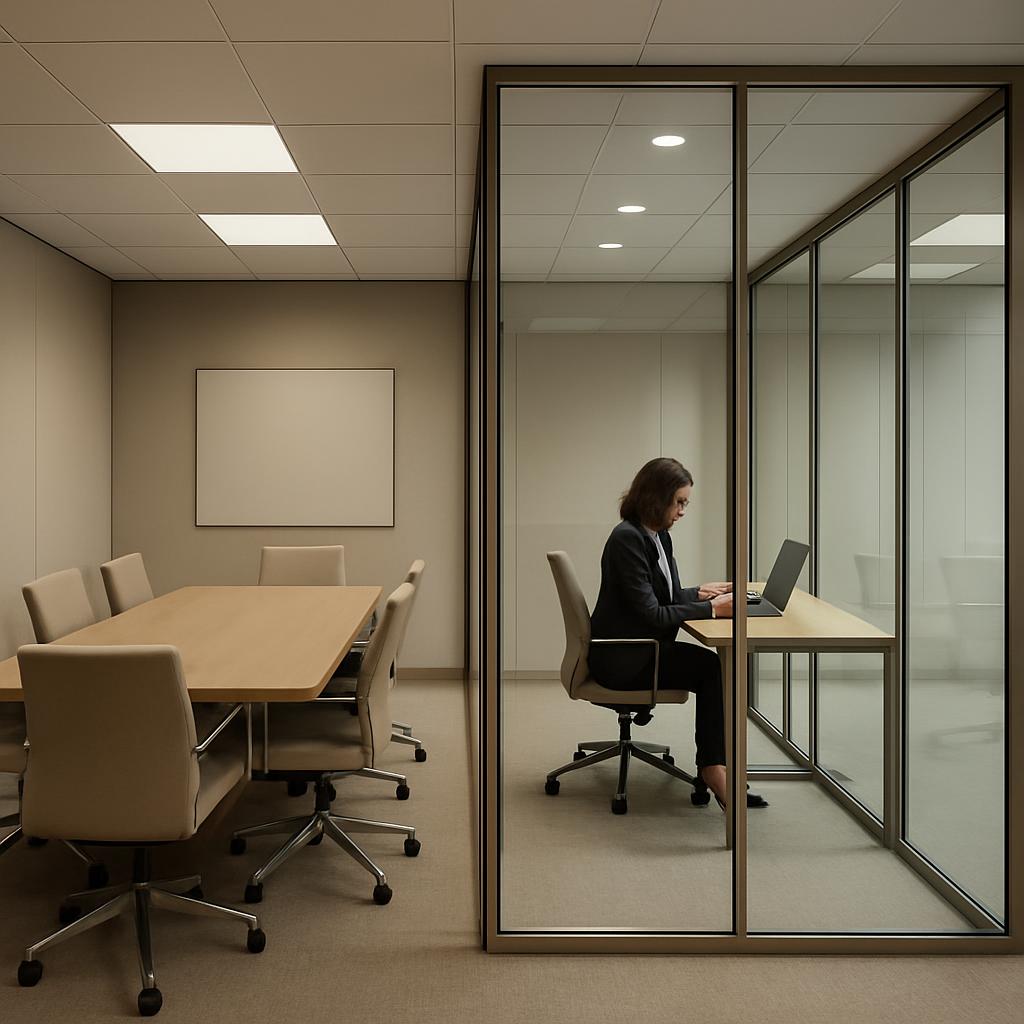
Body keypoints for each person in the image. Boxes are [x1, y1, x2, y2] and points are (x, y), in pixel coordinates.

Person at [588, 457, 766, 811]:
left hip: (644, 646)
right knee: (711, 668)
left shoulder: (657, 536)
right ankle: (714, 770)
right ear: (657, 498)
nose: (683, 510)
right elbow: (652, 614)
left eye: (686, 502)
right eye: (679, 502)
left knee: (711, 666)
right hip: (625, 657)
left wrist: (701, 593)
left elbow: (662, 598)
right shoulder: (628, 540)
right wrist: (714, 610)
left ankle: (717, 766)